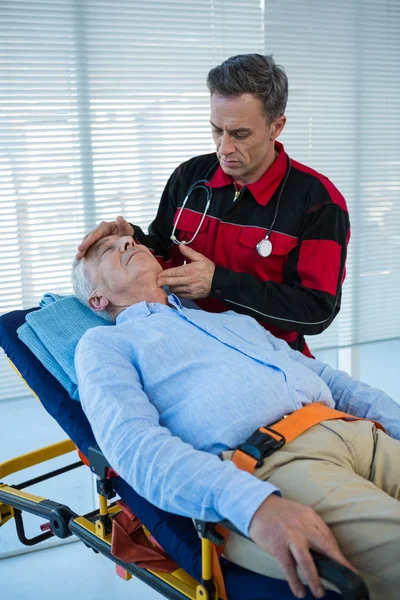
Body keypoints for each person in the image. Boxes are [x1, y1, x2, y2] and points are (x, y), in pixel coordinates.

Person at [73, 234, 400, 600]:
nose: (128, 244)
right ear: (97, 299)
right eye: (108, 251)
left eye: (131, 241)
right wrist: (253, 505)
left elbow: (328, 380)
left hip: (360, 433)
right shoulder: (104, 346)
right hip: (279, 467)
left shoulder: (230, 320)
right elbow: (134, 446)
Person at [76, 53, 350, 357]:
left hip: (272, 359)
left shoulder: (319, 203)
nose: (224, 148)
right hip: (191, 348)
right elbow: (164, 249)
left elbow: (316, 310)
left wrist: (218, 283)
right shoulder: (189, 176)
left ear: (277, 126)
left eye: (240, 134)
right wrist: (131, 238)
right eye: (217, 130)